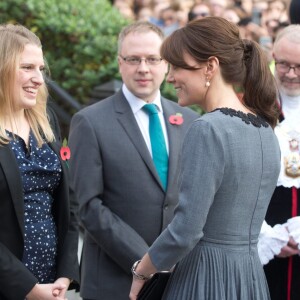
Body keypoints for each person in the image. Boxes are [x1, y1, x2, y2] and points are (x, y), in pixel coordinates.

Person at [129, 16, 281, 300]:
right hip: (249, 280)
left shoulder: (208, 128)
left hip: (204, 280)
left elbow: (185, 231)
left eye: (177, 66)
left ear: (210, 66)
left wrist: (142, 270)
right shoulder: (265, 130)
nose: (171, 77)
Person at [68, 21, 198, 300]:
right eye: (133, 59)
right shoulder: (90, 122)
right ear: (119, 63)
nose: (143, 68)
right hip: (115, 282)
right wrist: (148, 260)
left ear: (166, 64)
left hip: (179, 281)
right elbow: (89, 206)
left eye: (152, 59)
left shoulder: (190, 121)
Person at [0, 24, 79, 300]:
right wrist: (26, 288)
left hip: (51, 286)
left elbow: (68, 203)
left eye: (40, 69)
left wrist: (66, 273)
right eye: (27, 67)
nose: (39, 79)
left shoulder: (46, 122)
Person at [258, 24, 300, 300]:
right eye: (284, 64)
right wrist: (264, 233)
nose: (292, 74)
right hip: (263, 237)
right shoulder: (253, 106)